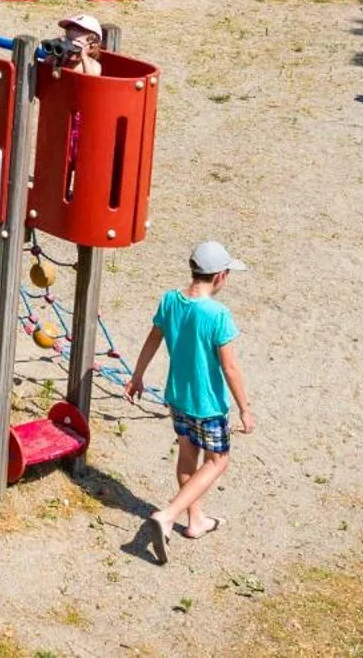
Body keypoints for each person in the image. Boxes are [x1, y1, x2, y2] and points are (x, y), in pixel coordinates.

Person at [125, 241, 256, 565]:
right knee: (218, 461)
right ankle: (168, 515)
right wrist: (244, 408)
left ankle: (196, 521)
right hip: (207, 405)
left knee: (187, 455)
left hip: (177, 397)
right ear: (220, 276)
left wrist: (137, 375)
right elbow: (229, 368)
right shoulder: (218, 314)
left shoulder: (170, 300)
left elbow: (153, 339)